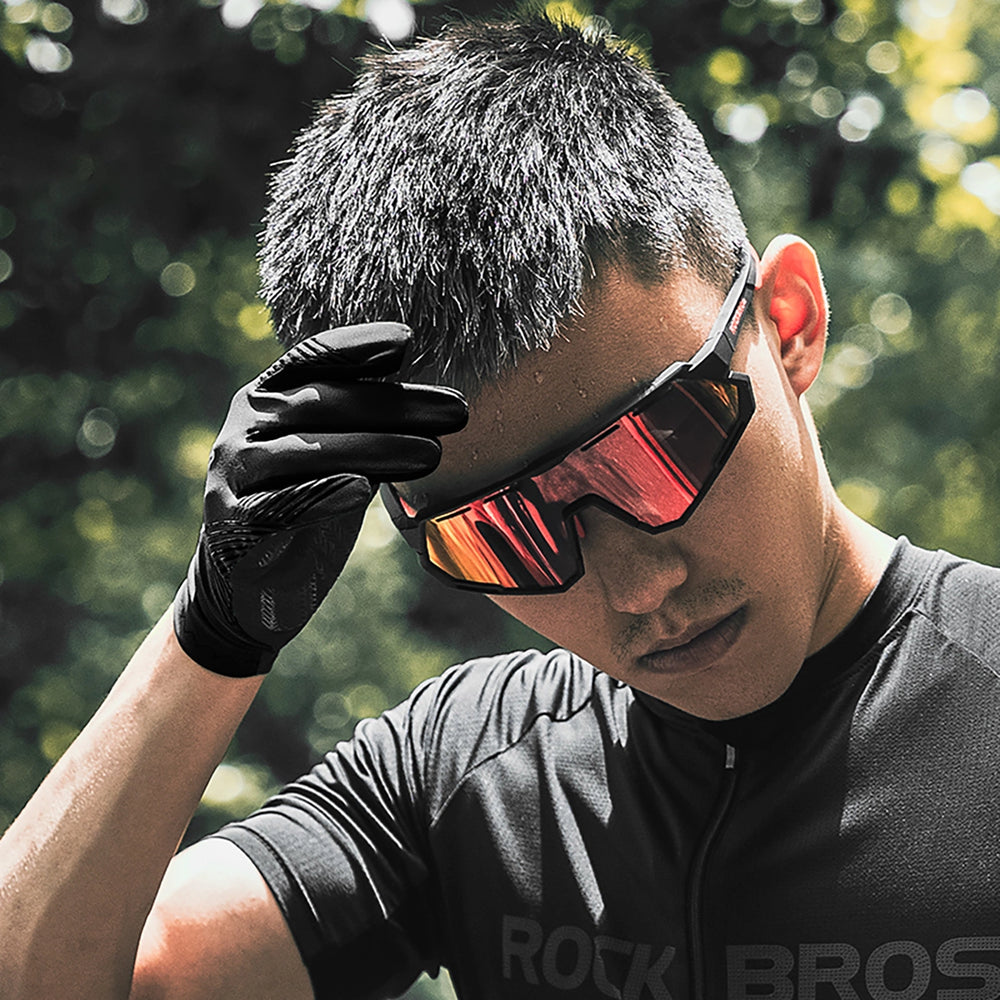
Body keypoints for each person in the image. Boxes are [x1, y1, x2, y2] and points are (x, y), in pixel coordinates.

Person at [3, 13, 1000, 1000]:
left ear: (787, 321)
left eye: (655, 453)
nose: (639, 586)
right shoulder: (468, 775)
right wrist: (214, 633)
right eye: (502, 532)